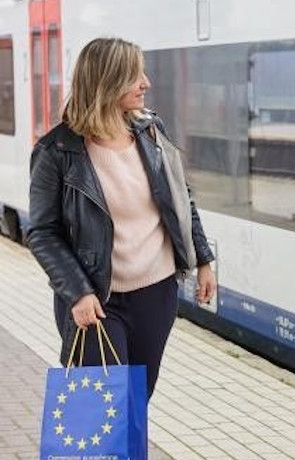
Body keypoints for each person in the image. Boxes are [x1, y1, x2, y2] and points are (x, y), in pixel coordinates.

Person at [27, 37, 217, 398]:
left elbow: (182, 198)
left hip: (157, 294)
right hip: (97, 300)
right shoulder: (56, 151)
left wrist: (203, 259)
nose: (146, 83)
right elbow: (42, 232)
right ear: (107, 81)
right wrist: (77, 292)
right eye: (134, 75)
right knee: (102, 407)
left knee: (135, 403)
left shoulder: (150, 131)